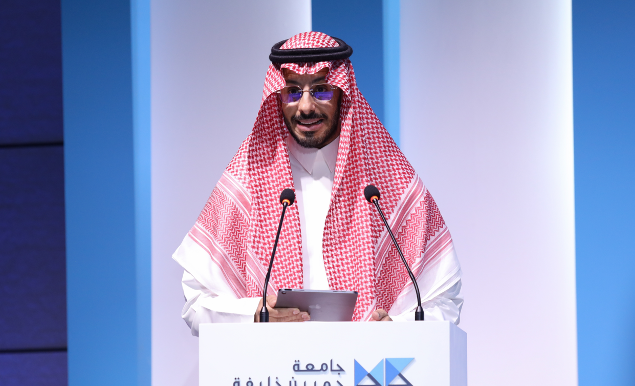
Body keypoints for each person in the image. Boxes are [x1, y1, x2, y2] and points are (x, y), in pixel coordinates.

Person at [173, 32, 462, 335]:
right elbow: (196, 305)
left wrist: (398, 331)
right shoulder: (249, 177)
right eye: (292, 92)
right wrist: (254, 314)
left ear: (343, 94)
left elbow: (444, 302)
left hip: (370, 365)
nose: (306, 107)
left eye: (321, 90)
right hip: (273, 364)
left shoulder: (387, 182)